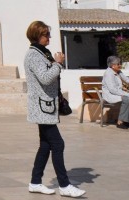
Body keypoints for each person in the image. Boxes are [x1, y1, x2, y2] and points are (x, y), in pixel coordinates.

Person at [24, 20, 85, 198]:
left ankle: (35, 182)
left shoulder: (43, 53)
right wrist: (58, 64)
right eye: (46, 34)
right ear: (37, 35)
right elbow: (44, 78)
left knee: (45, 145)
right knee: (58, 144)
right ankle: (64, 185)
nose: (49, 37)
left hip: (47, 105)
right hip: (41, 107)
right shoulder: (34, 55)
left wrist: (55, 63)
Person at [102, 55, 129, 128]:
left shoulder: (118, 71)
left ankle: (126, 121)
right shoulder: (109, 74)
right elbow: (113, 90)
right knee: (127, 99)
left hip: (117, 93)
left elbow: (125, 78)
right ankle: (120, 122)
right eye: (118, 64)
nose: (120, 65)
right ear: (112, 66)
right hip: (110, 95)